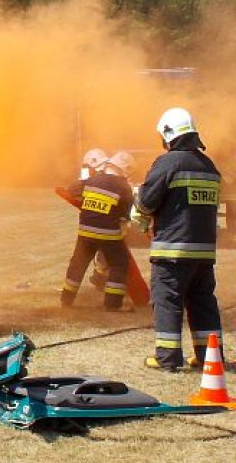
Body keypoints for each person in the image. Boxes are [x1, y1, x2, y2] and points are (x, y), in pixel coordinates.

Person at [135, 108, 224, 371]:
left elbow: (147, 201)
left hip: (173, 250)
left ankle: (168, 358)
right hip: (204, 253)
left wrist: (139, 205)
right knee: (203, 303)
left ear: (168, 134)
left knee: (167, 301)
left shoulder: (169, 163)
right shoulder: (209, 166)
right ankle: (210, 357)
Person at [59, 151, 135, 311]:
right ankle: (113, 304)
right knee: (119, 263)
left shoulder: (92, 180)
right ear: (125, 170)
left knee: (78, 263)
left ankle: (66, 299)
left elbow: (72, 189)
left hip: (85, 231)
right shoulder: (123, 186)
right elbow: (126, 213)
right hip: (108, 234)